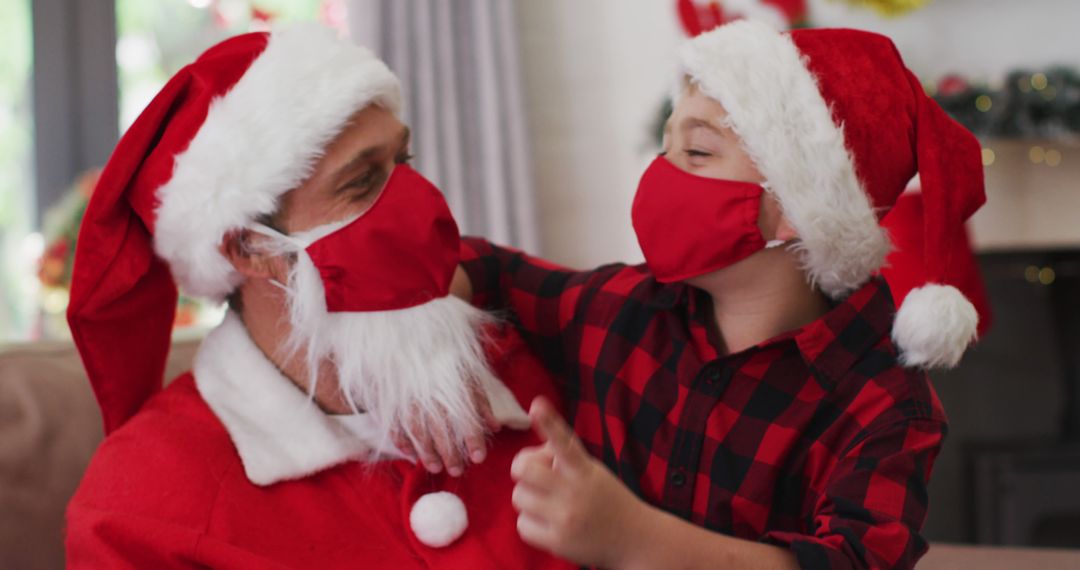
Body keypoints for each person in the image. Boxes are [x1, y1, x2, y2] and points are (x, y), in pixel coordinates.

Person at [457, 21, 988, 569]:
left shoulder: (887, 404)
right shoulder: (618, 307)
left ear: (797, 207)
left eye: (697, 152)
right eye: (666, 149)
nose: (661, 176)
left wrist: (633, 538)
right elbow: (489, 270)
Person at [64, 25, 575, 569]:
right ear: (248, 247)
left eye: (402, 162)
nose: (419, 203)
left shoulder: (530, 368)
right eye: (360, 182)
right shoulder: (140, 505)